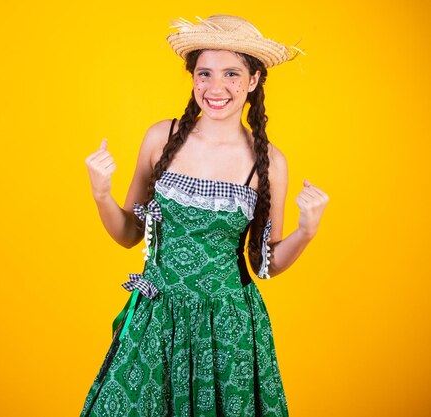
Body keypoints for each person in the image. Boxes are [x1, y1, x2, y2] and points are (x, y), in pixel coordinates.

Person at [80, 14, 329, 417]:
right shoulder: (161, 138)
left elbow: (264, 265)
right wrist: (101, 193)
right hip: (158, 317)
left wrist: (306, 230)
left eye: (231, 73)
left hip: (227, 329)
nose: (216, 87)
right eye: (204, 73)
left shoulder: (269, 164)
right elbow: (129, 234)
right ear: (193, 78)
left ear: (253, 80)